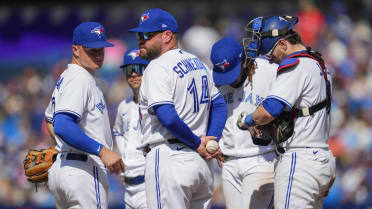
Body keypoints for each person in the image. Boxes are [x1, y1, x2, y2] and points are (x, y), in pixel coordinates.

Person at [129, 8, 227, 209]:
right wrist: (211, 138)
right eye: (139, 35)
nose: (141, 40)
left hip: (170, 158)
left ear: (167, 36)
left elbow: (168, 117)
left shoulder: (157, 67)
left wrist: (198, 143)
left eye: (147, 35)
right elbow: (219, 104)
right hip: (201, 164)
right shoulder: (198, 64)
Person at [238, 16, 336, 208]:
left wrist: (248, 120)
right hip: (322, 158)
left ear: (283, 43)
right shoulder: (319, 63)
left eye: (271, 53)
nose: (271, 59)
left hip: (300, 162)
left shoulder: (296, 64)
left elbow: (268, 111)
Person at [44, 21, 125, 209]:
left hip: (65, 169)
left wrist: (66, 147)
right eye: (91, 50)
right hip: (84, 171)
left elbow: (50, 120)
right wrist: (102, 151)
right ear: (76, 49)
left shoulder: (68, 77)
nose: (98, 55)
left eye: (100, 50)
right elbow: (62, 125)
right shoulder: (79, 78)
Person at [210, 37, 277, 209]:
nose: (229, 80)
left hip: (262, 157)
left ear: (244, 60)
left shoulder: (269, 71)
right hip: (229, 162)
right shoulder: (213, 79)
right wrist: (214, 139)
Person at [112, 48, 149, 209]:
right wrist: (124, 155)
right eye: (129, 70)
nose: (133, 74)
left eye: (138, 69)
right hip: (128, 187)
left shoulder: (156, 104)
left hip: (149, 184)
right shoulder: (123, 107)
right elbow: (117, 132)